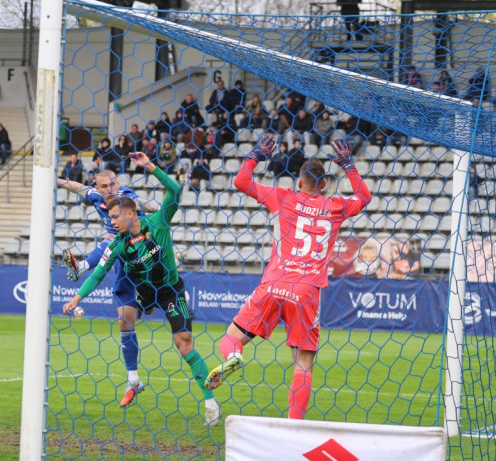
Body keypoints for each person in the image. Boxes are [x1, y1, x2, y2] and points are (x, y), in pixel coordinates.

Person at [204, 136, 371, 419]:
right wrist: (349, 166)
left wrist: (256, 154)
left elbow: (241, 182)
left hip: (274, 283)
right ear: (324, 184)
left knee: (232, 336)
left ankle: (233, 357)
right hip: (306, 290)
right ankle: (295, 426)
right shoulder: (335, 207)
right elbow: (364, 197)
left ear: (299, 182)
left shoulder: (284, 197)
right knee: (303, 363)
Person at [62, 152, 221, 425]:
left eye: (114, 217)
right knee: (125, 318)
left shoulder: (159, 221)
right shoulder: (117, 244)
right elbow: (99, 274)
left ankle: (210, 402)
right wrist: (76, 298)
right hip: (142, 291)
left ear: (130, 213)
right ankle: (133, 379)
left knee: (183, 342)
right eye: (109, 217)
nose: (111, 222)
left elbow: (175, 190)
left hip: (170, 290)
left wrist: (150, 167)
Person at [56, 168, 152, 410]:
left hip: (146, 258)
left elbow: (148, 206)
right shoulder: (97, 198)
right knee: (124, 322)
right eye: (104, 187)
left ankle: (82, 267)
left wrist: (155, 208)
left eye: (112, 185)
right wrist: (52, 180)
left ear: (118, 184)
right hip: (122, 259)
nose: (110, 190)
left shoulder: (127, 198)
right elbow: (78, 187)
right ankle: (133, 380)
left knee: (181, 337)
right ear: (97, 188)